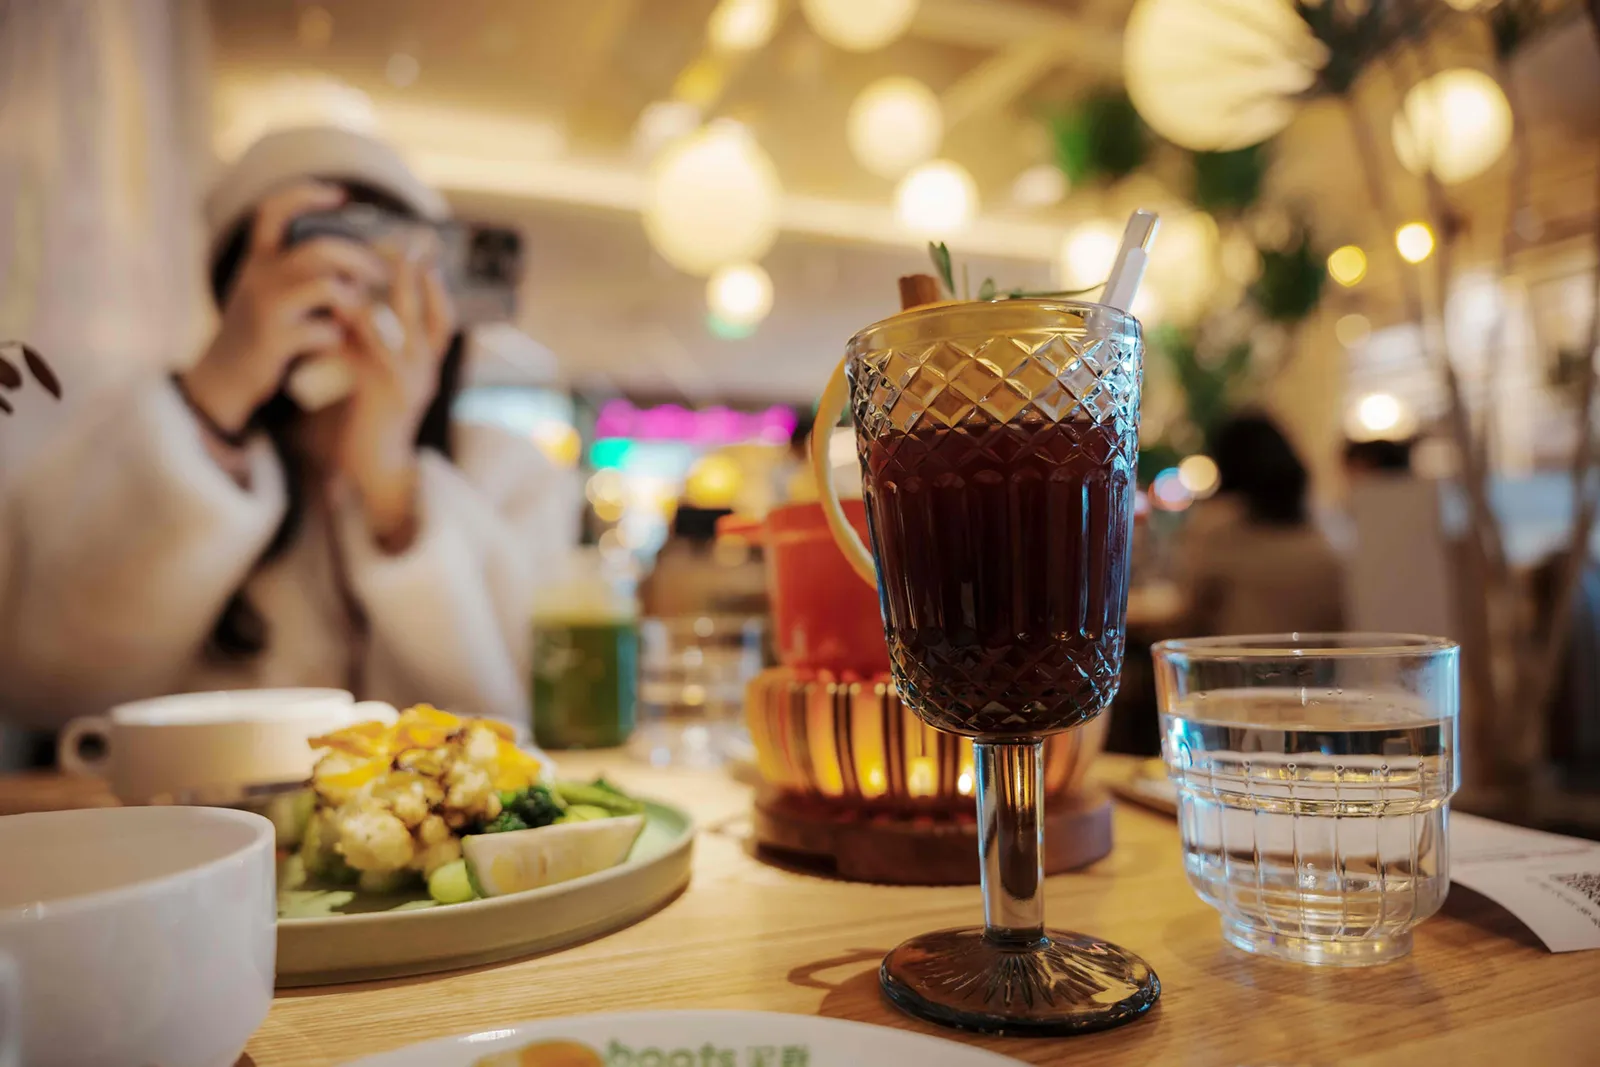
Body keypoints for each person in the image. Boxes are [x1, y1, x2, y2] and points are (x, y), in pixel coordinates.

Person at [0, 127, 574, 730]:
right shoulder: (143, 449)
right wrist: (217, 394)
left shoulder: (510, 470)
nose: (345, 293)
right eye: (312, 251)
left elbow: (517, 720)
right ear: (239, 287)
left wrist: (392, 494)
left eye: (384, 256)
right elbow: (51, 689)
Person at [1178, 413, 1344, 636]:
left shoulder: (1218, 531)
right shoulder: (1322, 538)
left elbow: (1191, 611)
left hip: (1236, 665)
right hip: (1312, 667)